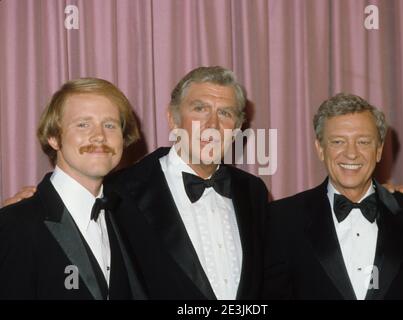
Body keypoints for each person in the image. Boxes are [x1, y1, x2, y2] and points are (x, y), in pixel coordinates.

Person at [105, 66, 269, 300]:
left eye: (225, 113)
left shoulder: (253, 191)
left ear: (237, 128)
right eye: (200, 109)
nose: (212, 124)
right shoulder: (118, 192)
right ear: (173, 119)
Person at [263, 93, 403, 300]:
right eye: (338, 142)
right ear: (320, 149)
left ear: (379, 150)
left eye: (363, 142)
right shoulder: (283, 218)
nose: (351, 154)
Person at [0, 78, 147, 299]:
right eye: (83, 124)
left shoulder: (129, 217)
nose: (99, 136)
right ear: (53, 138)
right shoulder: (14, 224)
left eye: (110, 125)